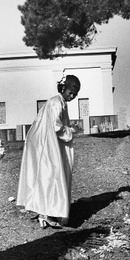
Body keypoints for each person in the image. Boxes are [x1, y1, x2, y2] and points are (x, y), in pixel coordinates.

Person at [16, 74, 81, 229]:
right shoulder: (56, 103)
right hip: (42, 142)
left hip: (44, 141)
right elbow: (56, 126)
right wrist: (71, 130)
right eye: (70, 92)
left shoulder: (60, 102)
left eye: (74, 94)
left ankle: (47, 210)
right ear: (63, 88)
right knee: (50, 175)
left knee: (47, 175)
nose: (71, 96)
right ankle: (45, 212)